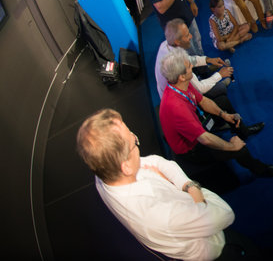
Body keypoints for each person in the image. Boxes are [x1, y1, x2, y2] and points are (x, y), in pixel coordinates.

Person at [77, 109, 262, 261]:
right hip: (216, 251)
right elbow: (225, 213)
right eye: (133, 141)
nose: (136, 139)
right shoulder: (156, 215)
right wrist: (193, 187)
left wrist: (188, 191)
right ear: (125, 166)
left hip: (200, 223)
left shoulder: (105, 171)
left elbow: (160, 163)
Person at [158, 49, 273, 177]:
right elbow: (205, 139)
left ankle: (243, 132)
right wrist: (232, 146)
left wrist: (224, 115)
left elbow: (204, 101)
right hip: (192, 149)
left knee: (223, 102)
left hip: (195, 122)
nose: (192, 67)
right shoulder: (177, 107)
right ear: (182, 76)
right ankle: (262, 170)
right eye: (189, 66)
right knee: (240, 150)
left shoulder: (182, 84)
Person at [155, 18, 233, 101]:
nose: (191, 36)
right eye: (187, 35)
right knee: (221, 88)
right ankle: (220, 85)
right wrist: (220, 74)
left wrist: (207, 60)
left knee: (201, 74)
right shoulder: (177, 62)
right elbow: (200, 89)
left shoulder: (167, 43)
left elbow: (188, 59)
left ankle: (209, 74)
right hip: (177, 98)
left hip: (171, 88)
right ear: (177, 41)